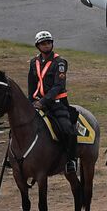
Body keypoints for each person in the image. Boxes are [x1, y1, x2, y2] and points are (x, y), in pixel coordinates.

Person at [28, 30, 76, 173]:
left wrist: (43, 101)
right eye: (43, 43)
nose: (47, 45)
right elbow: (31, 83)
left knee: (68, 129)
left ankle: (70, 160)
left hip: (56, 103)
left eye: (49, 42)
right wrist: (30, 101)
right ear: (38, 46)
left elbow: (58, 86)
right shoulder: (33, 62)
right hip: (37, 102)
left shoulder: (60, 62)